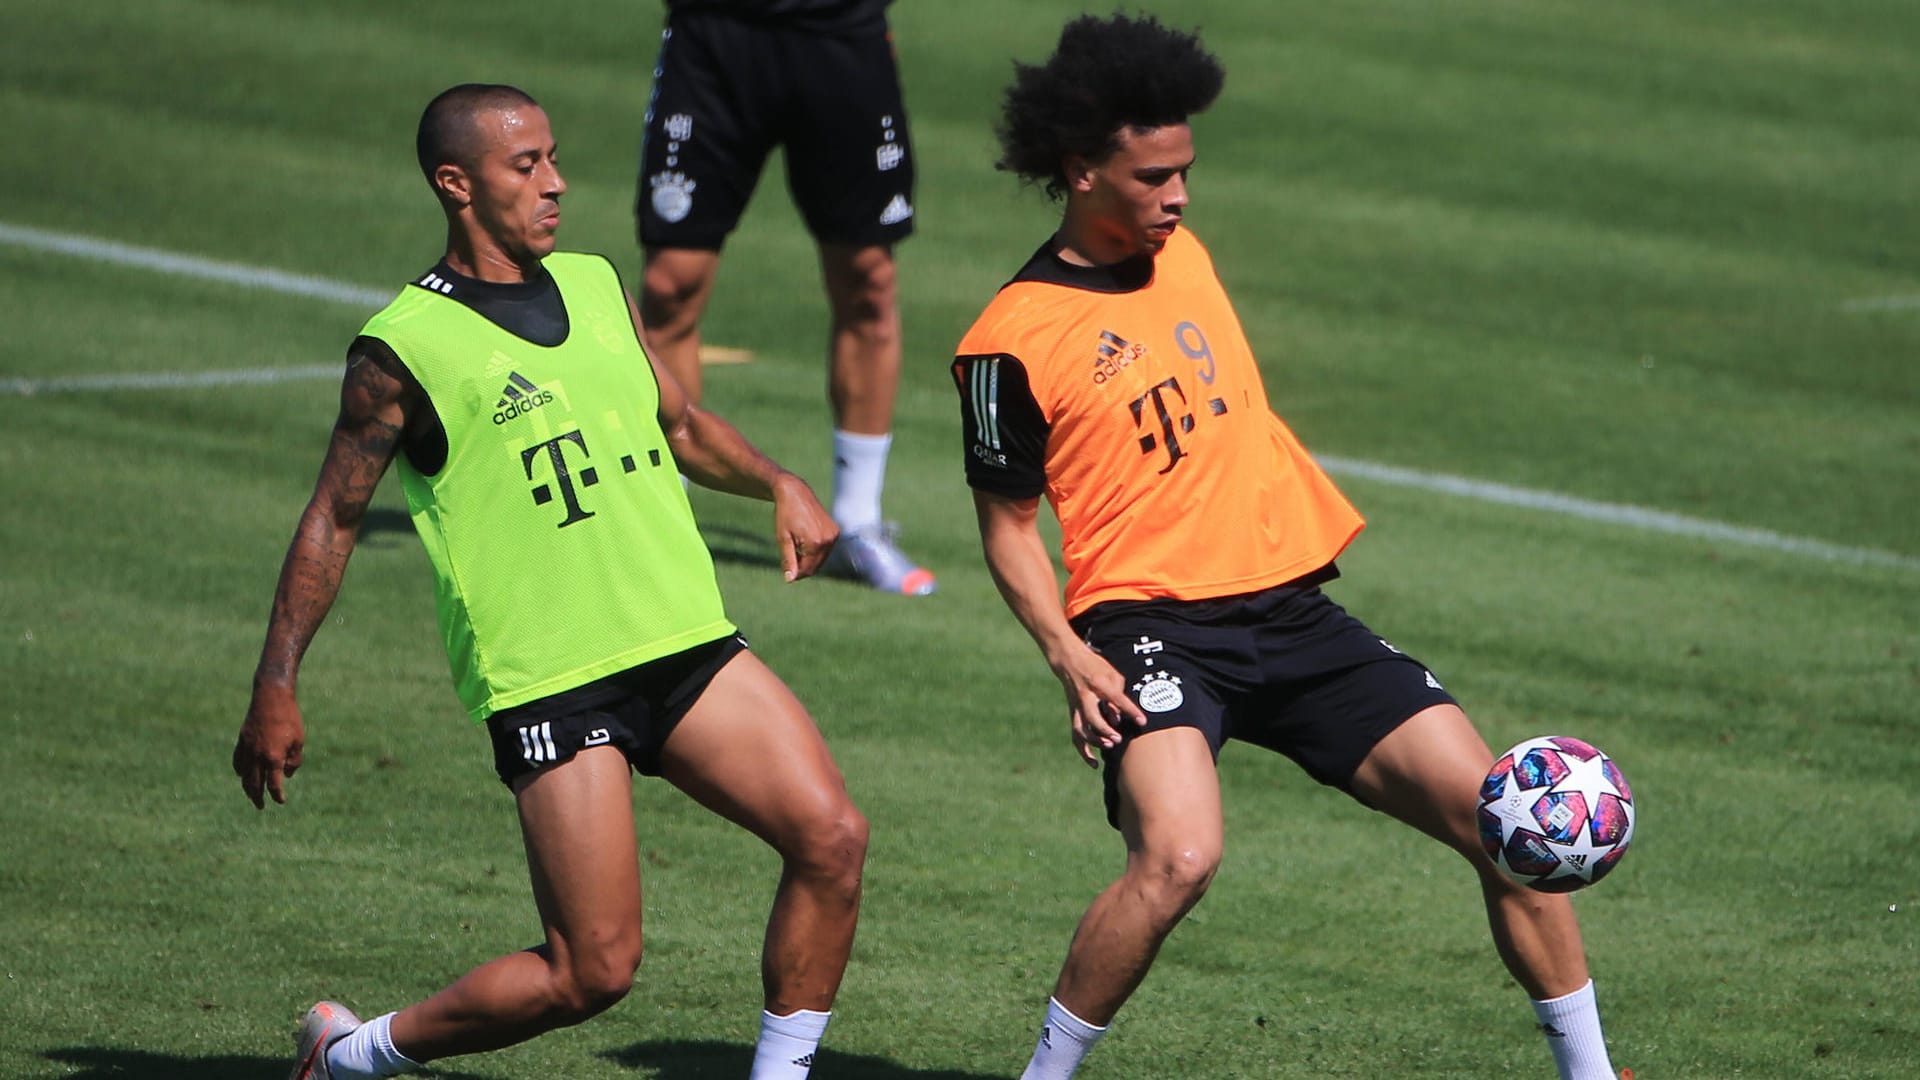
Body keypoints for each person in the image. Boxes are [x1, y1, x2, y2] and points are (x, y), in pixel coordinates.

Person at [950, 16, 1621, 1080]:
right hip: (1146, 625)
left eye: (1187, 172)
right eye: (1153, 175)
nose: (1179, 196)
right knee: (1177, 858)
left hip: (1289, 611)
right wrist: (1067, 652)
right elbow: (1006, 528)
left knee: (1513, 822)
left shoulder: (1185, 254)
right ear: (1081, 170)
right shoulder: (1007, 343)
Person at [232, 83, 867, 1080]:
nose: (555, 182)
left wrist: (778, 482)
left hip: (684, 638)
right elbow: (335, 515)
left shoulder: (595, 283)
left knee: (831, 837)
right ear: (456, 184)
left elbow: (681, 424)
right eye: (525, 166)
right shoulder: (402, 349)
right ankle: (352, 1058)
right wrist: (277, 682)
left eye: (553, 159)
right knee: (593, 971)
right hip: (553, 678)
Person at [635, 0, 935, 597]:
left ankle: (858, 523)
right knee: (671, 283)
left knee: (868, 281)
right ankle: (662, 513)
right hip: (713, 34)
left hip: (839, 35)